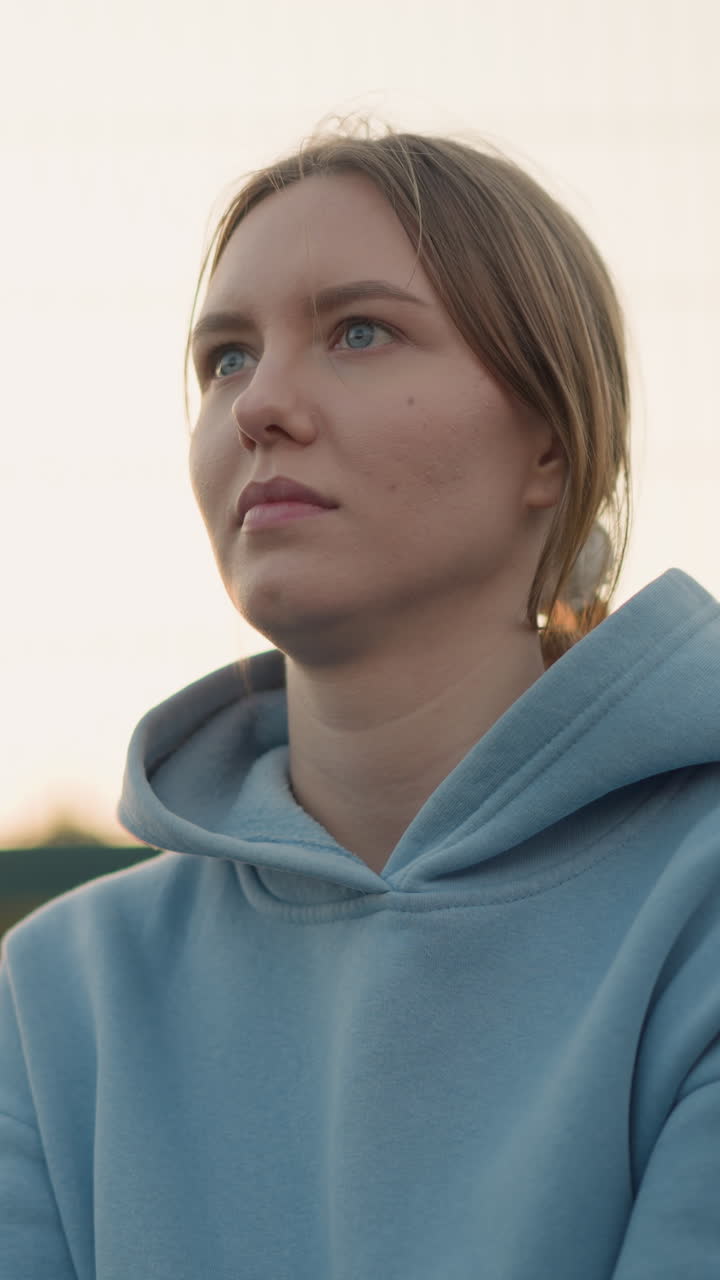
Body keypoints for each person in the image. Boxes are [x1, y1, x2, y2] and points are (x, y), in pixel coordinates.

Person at [1, 121, 719, 1279]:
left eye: (361, 330)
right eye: (225, 357)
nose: (258, 405)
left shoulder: (699, 909)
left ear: (552, 440)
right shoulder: (56, 995)